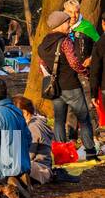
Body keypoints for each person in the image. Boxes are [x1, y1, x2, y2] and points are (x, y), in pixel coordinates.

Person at [37, 9, 99, 160]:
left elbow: (42, 64)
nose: (69, 24)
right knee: (84, 119)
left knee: (59, 119)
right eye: (66, 22)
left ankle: (60, 154)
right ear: (59, 24)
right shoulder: (65, 41)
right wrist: (86, 72)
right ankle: (90, 152)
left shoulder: (43, 43)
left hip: (55, 87)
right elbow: (74, 62)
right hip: (71, 85)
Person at [14, 95, 54, 179]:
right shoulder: (35, 121)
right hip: (40, 166)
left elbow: (29, 155)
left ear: (24, 112)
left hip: (40, 168)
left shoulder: (33, 127)